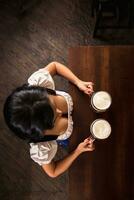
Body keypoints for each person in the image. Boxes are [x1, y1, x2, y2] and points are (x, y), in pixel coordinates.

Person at [3, 61, 95, 178]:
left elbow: (55, 66)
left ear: (42, 90)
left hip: (81, 101)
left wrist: (78, 82)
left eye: (54, 103)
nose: (59, 112)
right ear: (41, 136)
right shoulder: (41, 147)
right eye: (54, 121)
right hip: (76, 135)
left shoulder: (39, 82)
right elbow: (53, 172)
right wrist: (77, 151)